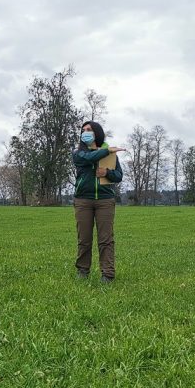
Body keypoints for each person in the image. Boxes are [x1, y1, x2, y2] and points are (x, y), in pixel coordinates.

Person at [72, 120, 124, 282]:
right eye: (83, 130)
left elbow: (119, 176)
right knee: (84, 239)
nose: (85, 132)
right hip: (83, 200)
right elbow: (88, 158)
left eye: (89, 130)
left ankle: (107, 273)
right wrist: (106, 150)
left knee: (106, 240)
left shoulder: (110, 154)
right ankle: (83, 270)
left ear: (97, 133)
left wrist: (107, 172)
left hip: (105, 200)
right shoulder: (78, 153)